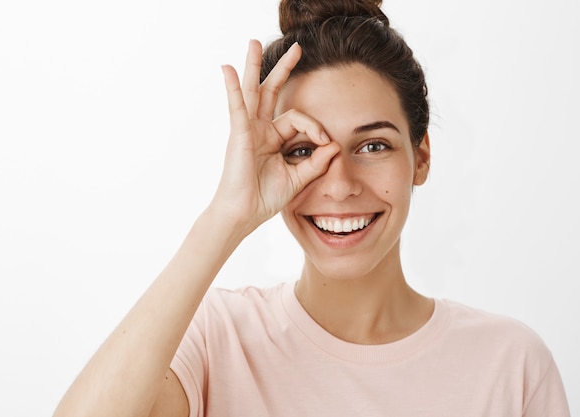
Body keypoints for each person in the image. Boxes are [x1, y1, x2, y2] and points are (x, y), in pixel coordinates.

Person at [52, 0, 570, 416]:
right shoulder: (217, 339)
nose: (339, 185)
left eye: (372, 146)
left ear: (421, 157)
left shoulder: (510, 364)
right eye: (304, 149)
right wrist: (226, 216)